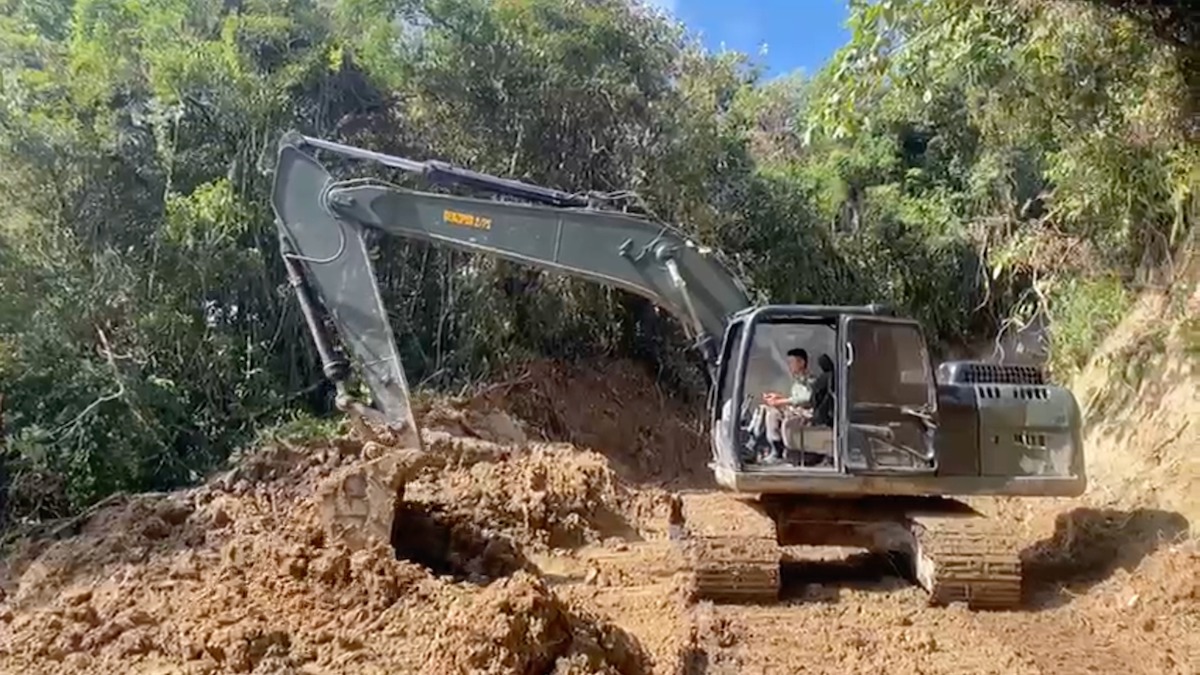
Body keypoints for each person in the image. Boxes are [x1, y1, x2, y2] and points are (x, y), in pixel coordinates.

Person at [748, 348, 814, 463]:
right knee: (764, 409)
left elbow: (806, 399)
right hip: (795, 411)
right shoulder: (797, 382)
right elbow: (793, 399)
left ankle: (776, 451)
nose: (789, 366)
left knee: (772, 414)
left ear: (801, 363)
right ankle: (753, 444)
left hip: (805, 414)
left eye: (791, 362)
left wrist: (780, 402)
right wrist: (777, 398)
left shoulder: (810, 381)